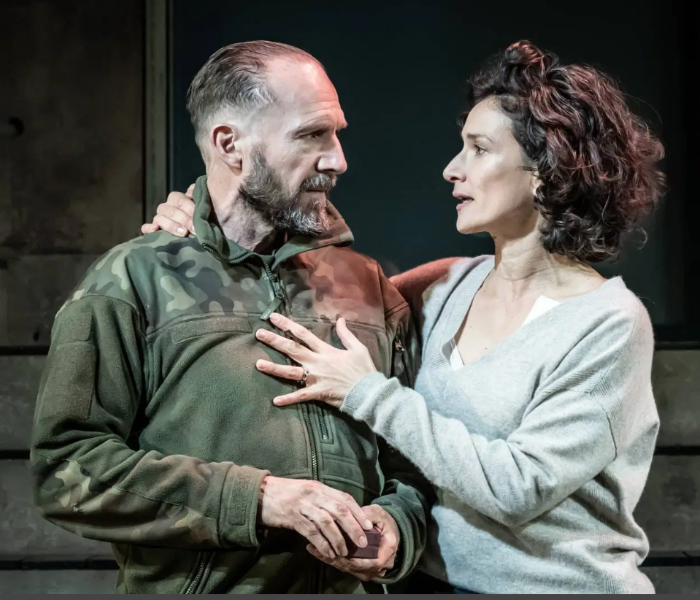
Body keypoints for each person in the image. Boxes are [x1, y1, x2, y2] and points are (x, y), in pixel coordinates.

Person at [147, 40, 666, 594]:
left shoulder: (608, 323)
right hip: (429, 585)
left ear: (546, 170)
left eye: (478, 149)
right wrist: (202, 220)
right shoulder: (444, 286)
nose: (451, 169)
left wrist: (367, 392)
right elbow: (311, 298)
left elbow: (520, 488)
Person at [30, 41, 433, 594]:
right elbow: (67, 469)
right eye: (313, 134)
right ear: (230, 145)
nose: (339, 159)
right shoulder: (131, 281)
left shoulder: (367, 285)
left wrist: (396, 527)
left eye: (337, 134)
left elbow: (412, 463)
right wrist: (260, 498)